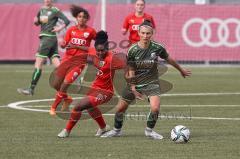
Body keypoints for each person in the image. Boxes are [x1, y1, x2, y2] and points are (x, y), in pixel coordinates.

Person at [101, 20, 191, 139]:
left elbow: (169, 59)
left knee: (155, 107)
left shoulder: (158, 47)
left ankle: (149, 131)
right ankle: (117, 130)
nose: (145, 36)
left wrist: (181, 70)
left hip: (151, 82)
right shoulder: (132, 50)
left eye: (148, 33)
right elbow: (131, 69)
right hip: (135, 82)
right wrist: (133, 88)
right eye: (143, 33)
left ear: (152, 33)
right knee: (120, 108)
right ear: (138, 33)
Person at [57, 31, 126, 138]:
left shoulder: (112, 59)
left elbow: (127, 64)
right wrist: (74, 46)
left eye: (102, 50)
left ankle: (66, 131)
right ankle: (103, 128)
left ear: (107, 49)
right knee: (90, 107)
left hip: (105, 92)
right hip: (95, 88)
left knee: (78, 107)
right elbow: (87, 49)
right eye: (98, 50)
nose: (99, 53)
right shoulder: (94, 51)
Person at [49, 5, 96, 116]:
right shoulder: (71, 30)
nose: (81, 18)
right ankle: (67, 99)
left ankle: (53, 107)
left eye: (84, 17)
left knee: (65, 84)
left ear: (87, 19)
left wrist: (101, 43)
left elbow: (98, 42)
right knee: (56, 84)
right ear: (76, 18)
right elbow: (65, 44)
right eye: (79, 16)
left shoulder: (91, 31)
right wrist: (63, 44)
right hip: (67, 60)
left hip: (79, 63)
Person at [17, 0, 70, 96]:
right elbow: (38, 23)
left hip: (47, 39)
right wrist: (36, 21)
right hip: (50, 39)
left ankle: (31, 89)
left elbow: (67, 20)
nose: (47, 0)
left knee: (38, 63)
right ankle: (73, 80)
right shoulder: (41, 10)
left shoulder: (55, 10)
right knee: (58, 65)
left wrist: (60, 28)